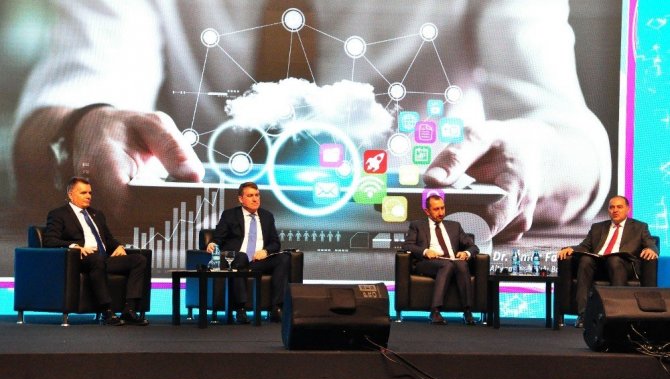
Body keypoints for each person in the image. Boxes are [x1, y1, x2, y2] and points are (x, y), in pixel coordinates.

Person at [11, 0, 610, 242]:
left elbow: (573, 138)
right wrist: (84, 128)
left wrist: (529, 158)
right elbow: (69, 101)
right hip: (200, 262)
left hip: (414, 263)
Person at [43, 176, 149, 326]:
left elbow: (108, 239)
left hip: (102, 259)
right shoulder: (59, 214)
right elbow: (50, 241)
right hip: (80, 260)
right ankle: (106, 311)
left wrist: (118, 246)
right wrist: (74, 246)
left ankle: (129, 310)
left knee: (138, 260)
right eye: (83, 193)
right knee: (96, 259)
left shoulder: (96, 214)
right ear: (70, 194)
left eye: (90, 193)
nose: (88, 196)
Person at [557, 195, 659, 328]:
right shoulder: (597, 227)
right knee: (585, 260)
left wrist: (652, 249)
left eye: (619, 207)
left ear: (627, 209)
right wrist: (571, 249)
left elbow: (651, 243)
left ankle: (618, 314)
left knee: (614, 260)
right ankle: (584, 315)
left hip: (623, 265)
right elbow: (585, 246)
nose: (615, 210)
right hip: (599, 265)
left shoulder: (639, 227)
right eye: (612, 207)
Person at [206, 181, 290, 324]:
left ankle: (276, 308)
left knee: (284, 258)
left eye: (257, 195)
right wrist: (212, 243)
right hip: (238, 259)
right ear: (241, 199)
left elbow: (275, 243)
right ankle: (241, 309)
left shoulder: (267, 216)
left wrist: (266, 251)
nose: (255, 199)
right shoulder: (230, 215)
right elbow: (218, 237)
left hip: (259, 261)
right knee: (242, 257)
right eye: (250, 196)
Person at [402, 194, 480, 325]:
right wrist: (425, 251)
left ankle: (467, 311)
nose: (441, 212)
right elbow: (407, 245)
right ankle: (435, 310)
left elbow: (473, 247)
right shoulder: (417, 225)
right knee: (447, 265)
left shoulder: (455, 226)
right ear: (427, 211)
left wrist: (466, 253)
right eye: (436, 209)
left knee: (461, 265)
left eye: (442, 208)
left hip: (451, 261)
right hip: (427, 262)